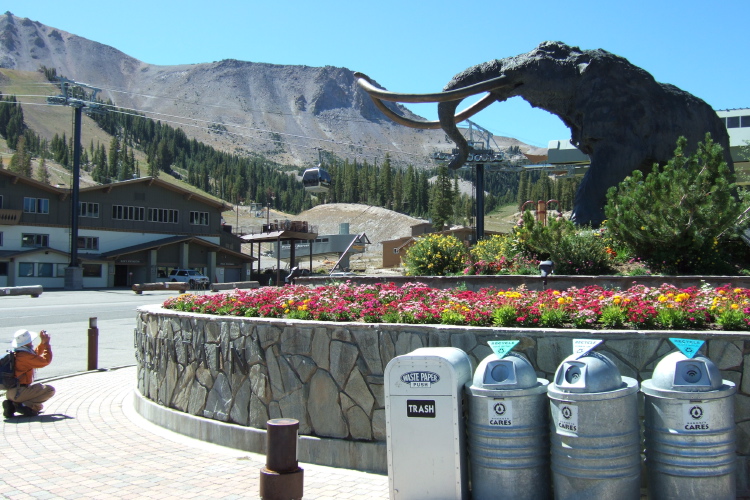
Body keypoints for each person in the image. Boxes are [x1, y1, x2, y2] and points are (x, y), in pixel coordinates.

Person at [2, 329, 55, 418]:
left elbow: (35, 355)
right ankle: (22, 406)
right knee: (49, 390)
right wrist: (46, 345)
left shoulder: (18, 353)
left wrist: (42, 343)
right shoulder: (25, 356)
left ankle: (12, 405)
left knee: (38, 403)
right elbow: (45, 361)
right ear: (27, 342)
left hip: (11, 392)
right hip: (19, 392)